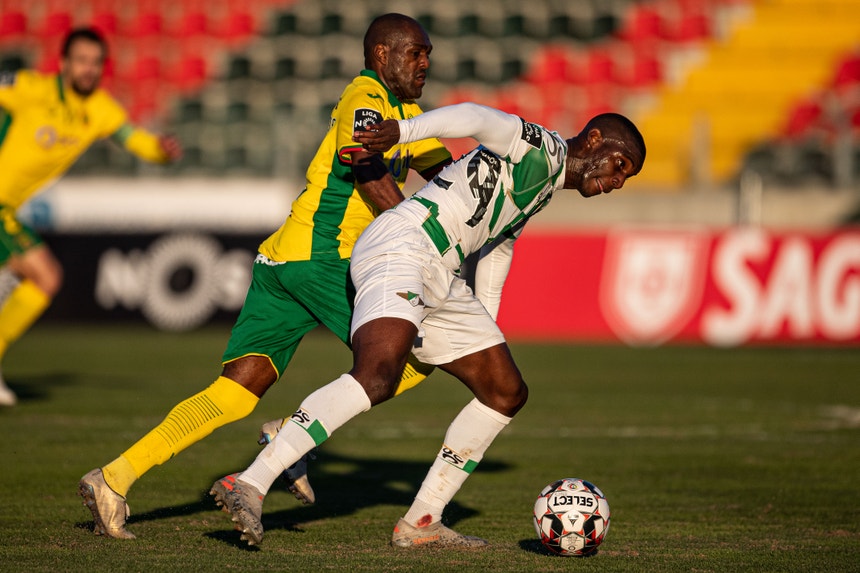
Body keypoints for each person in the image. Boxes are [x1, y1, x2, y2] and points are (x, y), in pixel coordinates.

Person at [79, 13, 452, 540]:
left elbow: (451, 177)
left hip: (282, 260)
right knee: (416, 353)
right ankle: (295, 432)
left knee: (235, 393)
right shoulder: (365, 97)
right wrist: (429, 238)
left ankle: (112, 479)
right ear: (382, 55)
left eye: (427, 54)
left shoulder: (407, 116)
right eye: (416, 53)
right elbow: (369, 176)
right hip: (324, 257)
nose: (425, 63)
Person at [209, 102, 646, 547]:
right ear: (593, 140)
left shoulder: (544, 183)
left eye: (624, 179)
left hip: (441, 271)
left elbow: (497, 250)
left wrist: (484, 332)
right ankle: (250, 483)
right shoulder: (543, 147)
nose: (615, 181)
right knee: (379, 373)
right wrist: (403, 130)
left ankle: (422, 521)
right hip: (404, 245)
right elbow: (475, 118)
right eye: (619, 165)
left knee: (505, 390)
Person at [0, 27, 182, 407]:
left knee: (32, 277)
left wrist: (160, 150)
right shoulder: (32, 88)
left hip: (7, 209)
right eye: (81, 60)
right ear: (64, 62)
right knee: (45, 275)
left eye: (95, 62)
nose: (88, 69)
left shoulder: (100, 109)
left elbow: (135, 139)